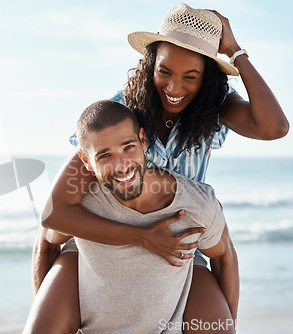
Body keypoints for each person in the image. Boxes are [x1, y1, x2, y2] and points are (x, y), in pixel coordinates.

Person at [29, 3, 289, 334]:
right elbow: (54, 213)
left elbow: (275, 128)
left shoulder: (216, 106)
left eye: (190, 77)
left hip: (178, 245)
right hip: (106, 238)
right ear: (151, 63)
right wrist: (144, 238)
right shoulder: (123, 111)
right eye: (164, 71)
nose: (174, 88)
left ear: (207, 78)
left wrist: (235, 53)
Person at [24, 100, 235, 333]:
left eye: (128, 147)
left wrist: (230, 325)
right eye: (105, 155)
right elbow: (45, 242)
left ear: (143, 141)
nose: (122, 166)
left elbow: (224, 257)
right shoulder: (82, 204)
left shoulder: (195, 205)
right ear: (87, 161)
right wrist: (43, 308)